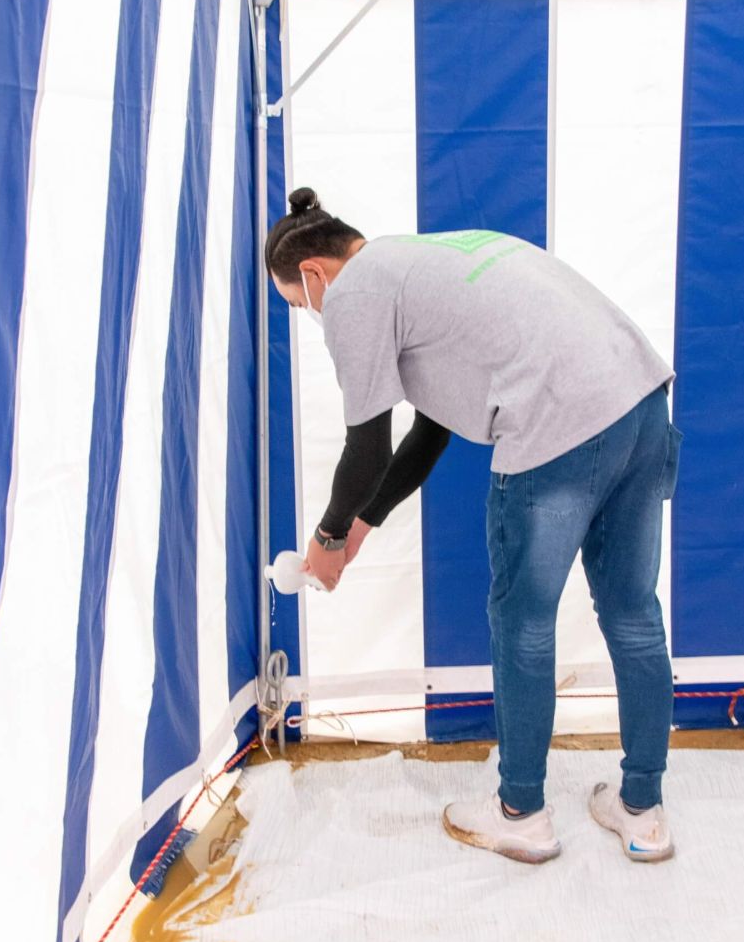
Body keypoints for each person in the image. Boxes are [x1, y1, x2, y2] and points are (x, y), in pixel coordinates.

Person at [265, 186, 683, 866]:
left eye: (295, 302)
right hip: (640, 404)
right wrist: (367, 522)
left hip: (558, 425)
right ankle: (643, 811)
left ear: (313, 275)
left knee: (524, 623)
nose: (308, 313)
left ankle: (521, 811)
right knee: (634, 614)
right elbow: (433, 428)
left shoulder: (354, 295)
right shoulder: (422, 262)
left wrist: (329, 538)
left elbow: (366, 446)